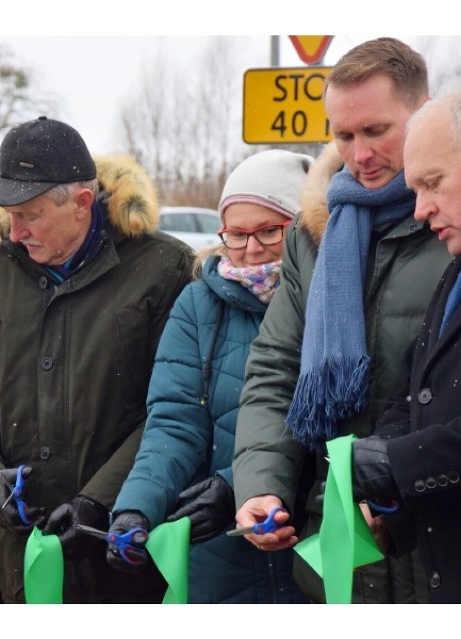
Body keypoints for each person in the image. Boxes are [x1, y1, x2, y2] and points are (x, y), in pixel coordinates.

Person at [0, 116, 194, 603]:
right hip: (23, 566)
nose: (15, 230)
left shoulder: (163, 270)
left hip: (127, 557)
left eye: (29, 214)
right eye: (8, 213)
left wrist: (102, 500)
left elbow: (175, 408)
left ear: (81, 204)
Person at [232, 37, 452, 603]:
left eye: (376, 131)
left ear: (425, 112)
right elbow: (277, 366)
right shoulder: (317, 231)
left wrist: (404, 482)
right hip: (336, 546)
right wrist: (261, 486)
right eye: (343, 135)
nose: (359, 155)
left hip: (442, 540)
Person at [108, 150, 313, 603]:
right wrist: (136, 508)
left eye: (269, 230)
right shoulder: (198, 305)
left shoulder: (329, 298)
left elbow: (319, 424)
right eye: (236, 235)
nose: (252, 249)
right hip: (221, 558)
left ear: (300, 227)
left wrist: (237, 484)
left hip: (312, 548)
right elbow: (174, 422)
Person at [351, 87, 461, 603]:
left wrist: (398, 465)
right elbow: (418, 391)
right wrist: (388, 493)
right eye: (414, 189)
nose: (420, 209)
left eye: (432, 183)